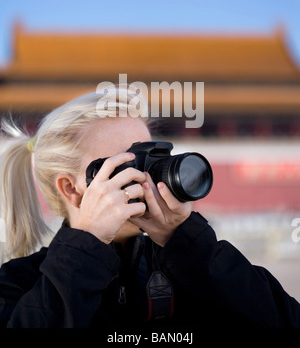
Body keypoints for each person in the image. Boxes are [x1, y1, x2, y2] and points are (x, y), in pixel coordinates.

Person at [0, 87, 299, 333]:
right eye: (128, 164)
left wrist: (190, 247)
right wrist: (85, 250)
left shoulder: (189, 270)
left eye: (153, 159)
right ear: (71, 189)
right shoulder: (19, 283)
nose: (150, 179)